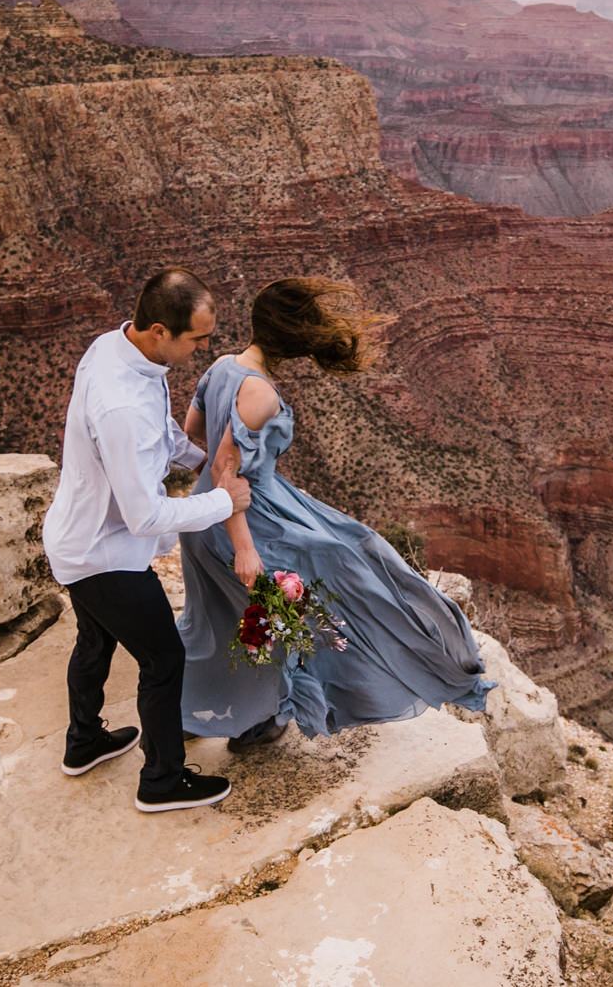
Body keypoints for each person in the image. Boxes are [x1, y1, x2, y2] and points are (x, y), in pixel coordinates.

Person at [175, 276, 495, 746]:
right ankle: (271, 712)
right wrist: (244, 545)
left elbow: (194, 430)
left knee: (224, 619)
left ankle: (195, 714)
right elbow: (228, 468)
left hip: (203, 516)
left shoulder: (222, 366)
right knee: (348, 567)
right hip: (242, 523)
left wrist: (232, 483)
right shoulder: (261, 393)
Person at [42, 266, 254, 813]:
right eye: (196, 340)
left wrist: (201, 461)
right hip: (102, 553)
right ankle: (162, 780)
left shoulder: (118, 348)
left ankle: (83, 742)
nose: (203, 350)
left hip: (75, 536)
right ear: (159, 330)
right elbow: (144, 515)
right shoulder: (122, 406)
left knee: (95, 642)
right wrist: (223, 502)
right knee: (162, 658)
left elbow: (160, 438)